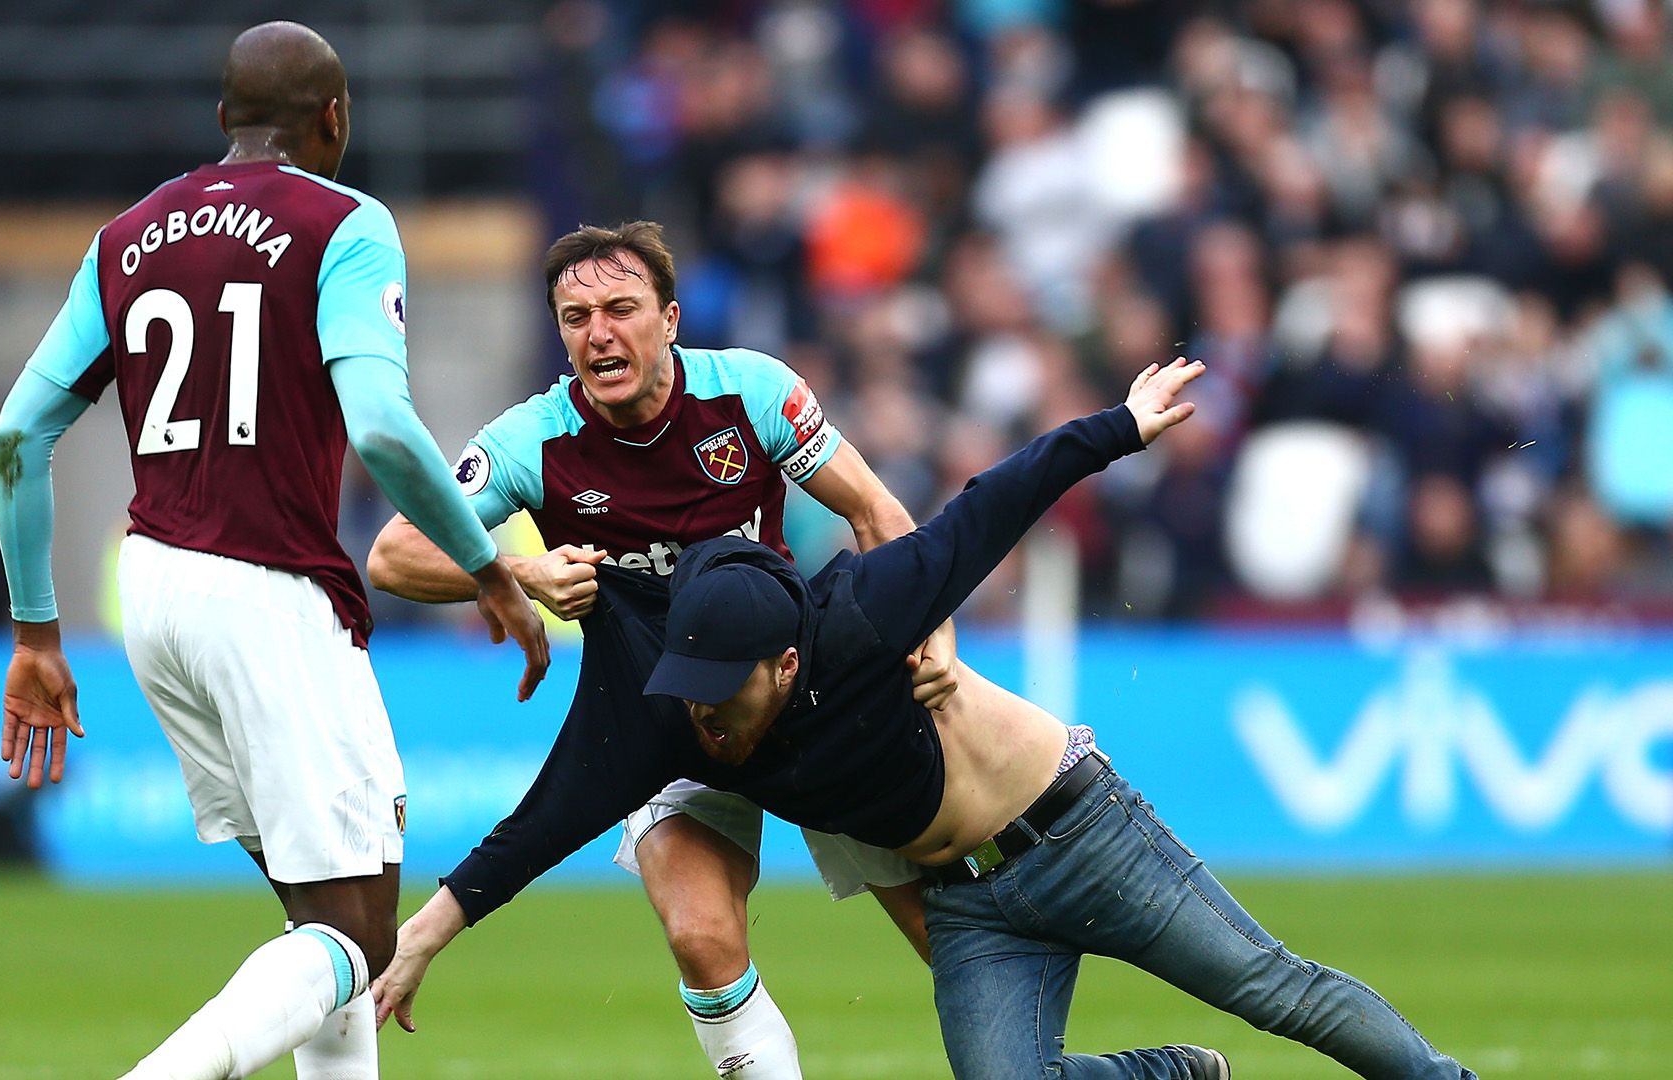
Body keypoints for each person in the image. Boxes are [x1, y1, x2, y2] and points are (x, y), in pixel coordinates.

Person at [376, 360, 1479, 1080]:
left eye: (723, 690)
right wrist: (423, 936)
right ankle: (1169, 1077)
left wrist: (1123, 425)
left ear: (789, 658)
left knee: (1275, 992)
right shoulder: (677, 720)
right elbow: (544, 824)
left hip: (1078, 836)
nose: (703, 718)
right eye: (689, 692)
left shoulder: (862, 614)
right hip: (968, 906)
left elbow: (992, 504)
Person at [0, 22, 548, 1080]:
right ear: (335, 119)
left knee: (316, 913)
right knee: (361, 936)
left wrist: (33, 629)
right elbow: (381, 429)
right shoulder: (347, 223)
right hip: (270, 591)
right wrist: (487, 568)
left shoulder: (127, 235)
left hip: (153, 587)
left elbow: (17, 435)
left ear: (223, 123)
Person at [367, 219, 957, 1079]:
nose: (598, 333)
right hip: (672, 712)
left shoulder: (749, 391)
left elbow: (876, 514)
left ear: (671, 319)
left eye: (620, 308)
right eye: (575, 317)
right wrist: (522, 571)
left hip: (798, 693)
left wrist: (932, 635)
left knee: (944, 937)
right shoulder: (534, 439)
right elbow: (394, 554)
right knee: (700, 934)